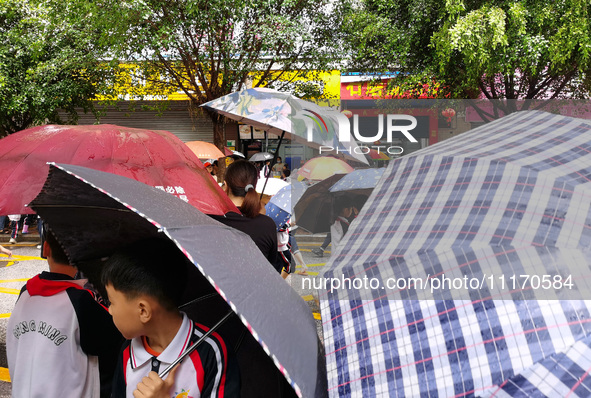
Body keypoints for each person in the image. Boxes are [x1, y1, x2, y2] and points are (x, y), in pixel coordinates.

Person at [102, 238, 240, 398]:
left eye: (111, 302)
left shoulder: (210, 352)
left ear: (143, 311)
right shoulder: (128, 351)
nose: (110, 310)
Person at [6, 227, 123, 397]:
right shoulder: (81, 301)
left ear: (45, 249)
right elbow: (113, 345)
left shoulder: (25, 293)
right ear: (82, 257)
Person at [210, 160, 279, 270]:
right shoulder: (267, 225)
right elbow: (271, 265)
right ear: (253, 187)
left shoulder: (209, 220)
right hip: (255, 286)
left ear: (226, 186)